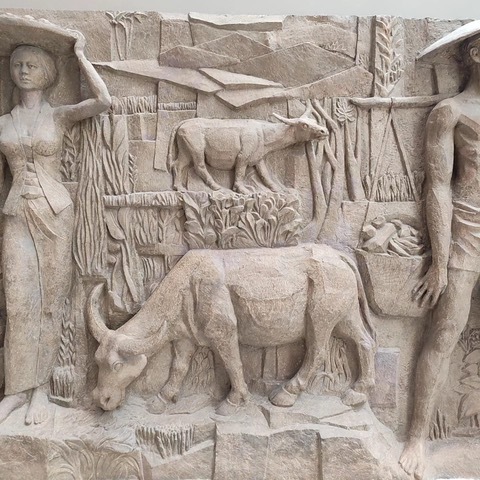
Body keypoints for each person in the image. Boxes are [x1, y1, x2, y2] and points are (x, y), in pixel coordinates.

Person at [0, 32, 110, 425]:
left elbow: (103, 101)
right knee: (17, 302)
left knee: (50, 302)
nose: (23, 71)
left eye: (31, 65)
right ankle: (15, 390)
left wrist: (80, 54)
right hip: (16, 213)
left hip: (56, 214)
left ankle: (40, 391)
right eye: (17, 65)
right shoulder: (3, 123)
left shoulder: (58, 115)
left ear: (47, 74)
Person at [400, 23, 480, 479]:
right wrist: (441, 261)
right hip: (467, 228)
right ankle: (416, 437)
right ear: (476, 53)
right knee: (445, 331)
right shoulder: (450, 111)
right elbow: (438, 187)